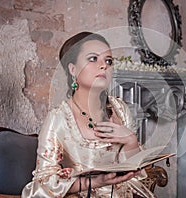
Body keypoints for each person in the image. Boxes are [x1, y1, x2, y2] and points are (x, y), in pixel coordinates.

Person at [22, 32, 155, 197]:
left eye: (108, 61)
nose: (103, 66)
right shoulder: (59, 119)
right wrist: (93, 182)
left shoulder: (119, 108)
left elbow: (136, 174)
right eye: (93, 59)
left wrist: (130, 141)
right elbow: (43, 184)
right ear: (73, 69)